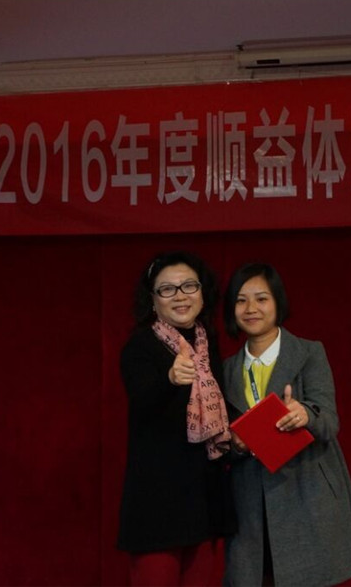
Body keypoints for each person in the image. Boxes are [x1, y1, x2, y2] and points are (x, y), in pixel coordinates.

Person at [222, 263, 351, 587]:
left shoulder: (309, 353)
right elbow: (221, 445)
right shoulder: (226, 370)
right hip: (251, 509)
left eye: (261, 298)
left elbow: (329, 423)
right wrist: (236, 444)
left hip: (307, 497)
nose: (251, 308)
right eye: (241, 300)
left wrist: (305, 414)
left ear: (278, 302)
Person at [117, 251, 236, 586]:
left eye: (189, 286)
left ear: (202, 293)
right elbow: (142, 400)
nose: (180, 295)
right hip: (158, 503)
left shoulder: (207, 342)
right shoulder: (140, 346)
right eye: (167, 289)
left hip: (204, 498)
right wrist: (169, 379)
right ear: (153, 301)